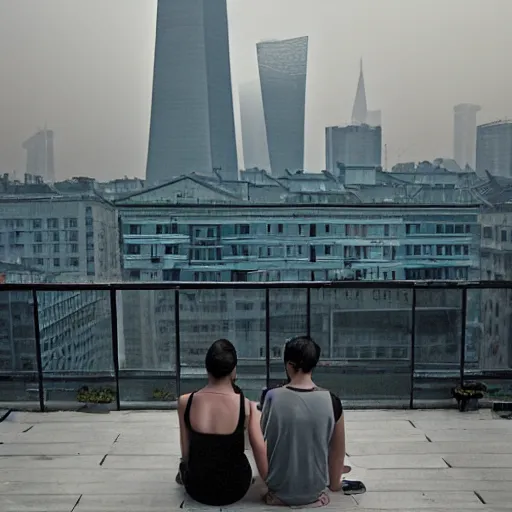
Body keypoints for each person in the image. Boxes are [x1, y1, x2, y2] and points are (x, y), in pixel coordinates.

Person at [260, 336, 349, 507]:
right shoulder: (332, 401)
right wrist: (335, 486)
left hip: (278, 491)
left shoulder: (271, 396)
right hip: (314, 493)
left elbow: (260, 440)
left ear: (289, 365)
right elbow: (337, 452)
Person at [177, 339, 268, 506]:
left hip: (197, 489)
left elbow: (186, 452)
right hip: (235, 489)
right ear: (233, 370)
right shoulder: (246, 405)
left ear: (207, 368)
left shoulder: (185, 402)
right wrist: (272, 487)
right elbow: (259, 449)